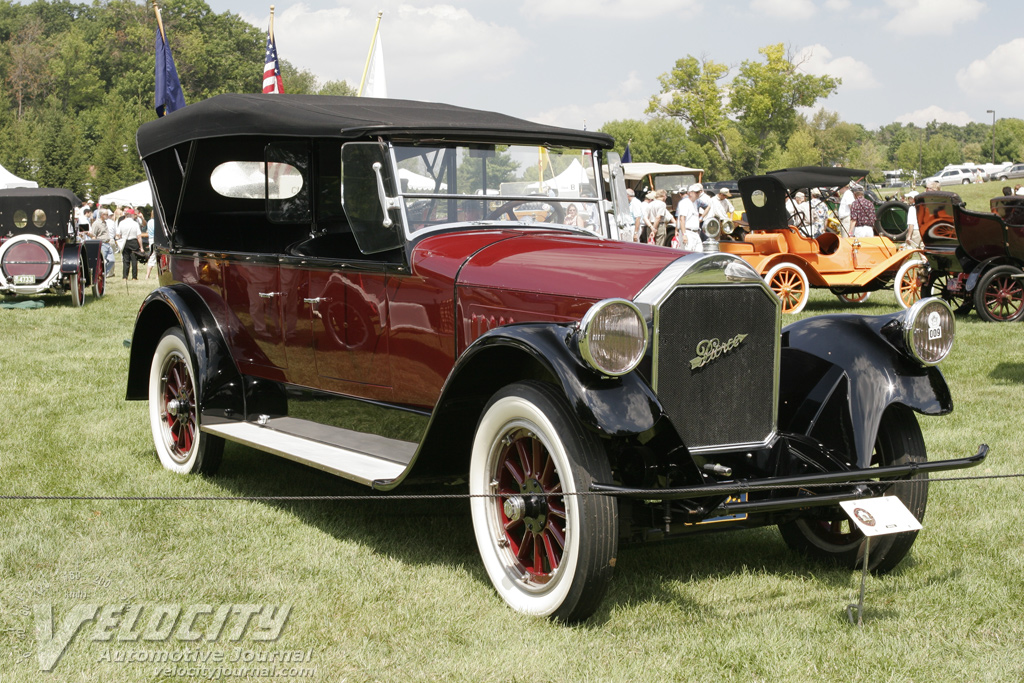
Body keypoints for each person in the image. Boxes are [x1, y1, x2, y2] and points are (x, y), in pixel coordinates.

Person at [674, 184, 702, 251]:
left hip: (695, 232)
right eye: (696, 192)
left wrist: (701, 218)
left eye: (699, 192)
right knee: (688, 254)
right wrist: (684, 234)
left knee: (699, 253)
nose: (698, 194)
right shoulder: (684, 203)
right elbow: (682, 219)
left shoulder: (695, 203)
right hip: (688, 232)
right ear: (690, 193)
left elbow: (708, 206)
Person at [117, 208, 143, 280]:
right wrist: (141, 247)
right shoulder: (135, 223)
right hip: (134, 241)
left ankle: (125, 276)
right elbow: (139, 236)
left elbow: (118, 234)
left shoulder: (121, 223)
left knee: (126, 260)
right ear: (132, 215)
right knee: (134, 260)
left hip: (125, 242)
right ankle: (134, 277)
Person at [89, 208, 116, 276]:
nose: (108, 216)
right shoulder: (96, 223)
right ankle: (99, 275)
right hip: (102, 244)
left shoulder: (105, 222)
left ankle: (103, 275)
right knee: (102, 262)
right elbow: (93, 235)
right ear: (102, 215)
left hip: (108, 243)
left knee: (112, 261)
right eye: (106, 214)